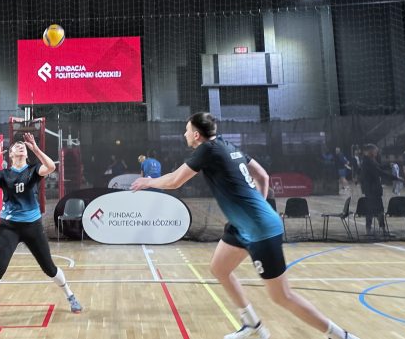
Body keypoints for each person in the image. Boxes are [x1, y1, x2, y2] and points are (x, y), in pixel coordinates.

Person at [131, 113, 360, 339]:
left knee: (281, 296)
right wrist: (257, 205)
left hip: (260, 230)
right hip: (243, 226)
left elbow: (174, 181)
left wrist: (148, 182)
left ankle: (340, 335)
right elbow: (263, 176)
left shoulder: (207, 149)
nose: (185, 134)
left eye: (187, 130)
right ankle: (252, 324)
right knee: (219, 269)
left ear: (197, 134)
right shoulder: (228, 146)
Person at [0, 132, 82, 328]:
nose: (20, 146)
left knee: (49, 268)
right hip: (9, 227)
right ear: (10, 154)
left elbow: (51, 167)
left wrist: (36, 149)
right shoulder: (4, 175)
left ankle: (70, 295)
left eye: (23, 146)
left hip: (32, 226)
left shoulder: (33, 170)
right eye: (16, 146)